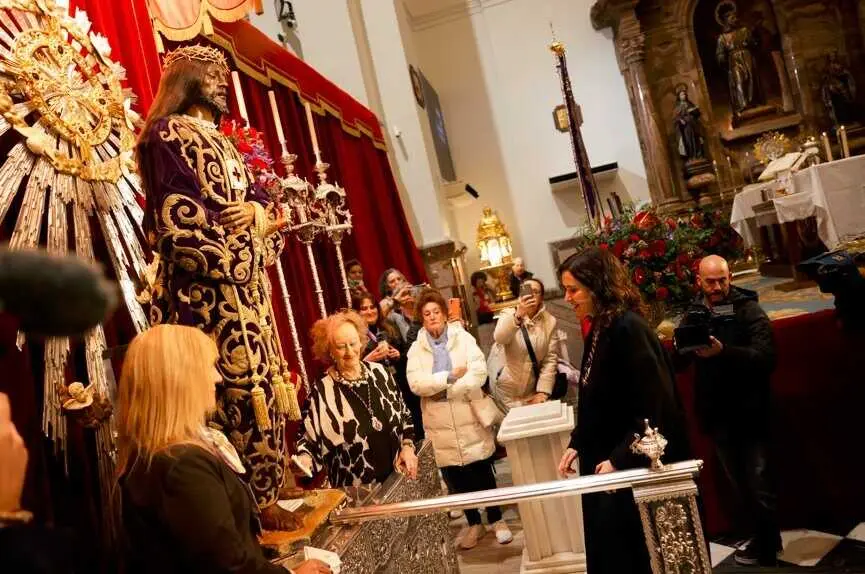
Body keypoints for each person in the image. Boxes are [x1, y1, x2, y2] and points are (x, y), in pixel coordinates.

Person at [136, 45, 297, 529]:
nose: (223, 83)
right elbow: (176, 220)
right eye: (212, 75)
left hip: (248, 294)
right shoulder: (165, 134)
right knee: (222, 393)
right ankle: (239, 504)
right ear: (186, 79)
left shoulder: (225, 142)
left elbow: (251, 204)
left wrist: (257, 215)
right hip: (204, 297)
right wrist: (238, 255)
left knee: (265, 385)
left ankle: (269, 485)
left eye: (225, 74)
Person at [116, 325, 329, 574]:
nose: (218, 378)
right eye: (209, 367)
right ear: (179, 379)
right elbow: (226, 565)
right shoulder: (182, 464)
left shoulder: (156, 456)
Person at [556, 248, 689, 574]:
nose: (567, 297)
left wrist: (620, 459)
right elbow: (592, 394)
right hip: (601, 460)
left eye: (573, 289)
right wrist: (577, 441)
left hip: (624, 466)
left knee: (630, 555)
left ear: (597, 287)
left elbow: (652, 404)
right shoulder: (599, 326)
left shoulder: (629, 329)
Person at [677, 254, 780, 566]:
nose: (717, 287)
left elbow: (766, 358)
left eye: (722, 280)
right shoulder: (694, 313)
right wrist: (684, 345)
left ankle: (767, 545)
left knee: (759, 482)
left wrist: (725, 353)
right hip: (718, 414)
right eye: (710, 281)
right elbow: (679, 362)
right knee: (737, 482)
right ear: (699, 281)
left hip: (751, 411)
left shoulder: (748, 309)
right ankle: (759, 536)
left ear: (730, 277)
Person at [406, 289, 513, 549]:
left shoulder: (462, 338)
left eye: (436, 312)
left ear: (444, 314)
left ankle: (497, 518)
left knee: (482, 470)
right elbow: (416, 384)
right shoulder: (415, 349)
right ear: (422, 318)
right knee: (456, 476)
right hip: (438, 421)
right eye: (427, 313)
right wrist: (449, 376)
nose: (432, 317)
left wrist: (449, 389)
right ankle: (474, 522)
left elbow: (478, 371)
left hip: (467, 413)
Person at [295, 311, 418, 487]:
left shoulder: (380, 373)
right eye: (340, 346)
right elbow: (308, 442)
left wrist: (407, 446)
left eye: (353, 343)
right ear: (330, 350)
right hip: (357, 497)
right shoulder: (321, 391)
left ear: (361, 341)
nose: (349, 352)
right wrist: (304, 460)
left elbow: (405, 417)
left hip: (400, 482)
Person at [352, 293, 423, 439]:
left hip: (402, 386)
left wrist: (398, 355)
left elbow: (407, 354)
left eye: (372, 307)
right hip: (379, 393)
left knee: (416, 428)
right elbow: (351, 368)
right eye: (364, 308)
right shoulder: (354, 337)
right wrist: (368, 359)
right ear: (357, 313)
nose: (370, 311)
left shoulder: (389, 327)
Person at [493, 278, 560, 407]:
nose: (531, 295)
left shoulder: (550, 322)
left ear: (541, 297)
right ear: (521, 294)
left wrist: (543, 392)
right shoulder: (508, 314)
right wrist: (518, 316)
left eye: (536, 292)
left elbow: (550, 359)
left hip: (531, 391)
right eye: (527, 291)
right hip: (505, 389)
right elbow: (500, 338)